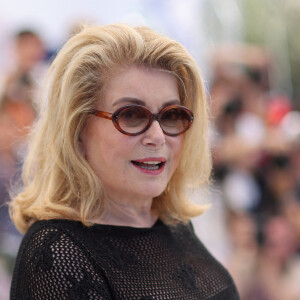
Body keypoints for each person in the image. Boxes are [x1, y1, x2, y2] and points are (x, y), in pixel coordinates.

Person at [9, 24, 239, 299]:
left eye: (171, 115)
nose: (157, 136)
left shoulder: (173, 224)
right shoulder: (58, 253)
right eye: (131, 115)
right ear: (77, 130)